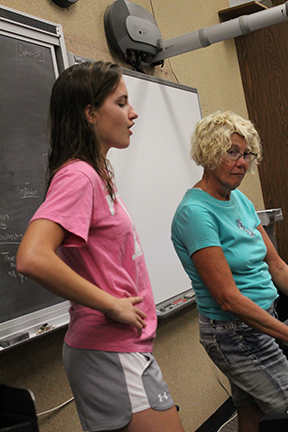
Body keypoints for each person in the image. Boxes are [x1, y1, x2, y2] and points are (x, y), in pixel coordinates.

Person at [16, 61, 184, 432]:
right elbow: (31, 256)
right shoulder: (78, 175)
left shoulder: (96, 172)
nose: (133, 112)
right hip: (110, 349)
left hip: (119, 348)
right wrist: (110, 303)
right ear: (90, 113)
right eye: (121, 103)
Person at [171, 110, 288, 432]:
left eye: (247, 153)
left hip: (263, 317)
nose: (242, 162)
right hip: (233, 332)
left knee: (251, 412)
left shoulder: (239, 200)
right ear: (208, 153)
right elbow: (228, 299)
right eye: (232, 152)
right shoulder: (195, 213)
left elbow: (275, 264)